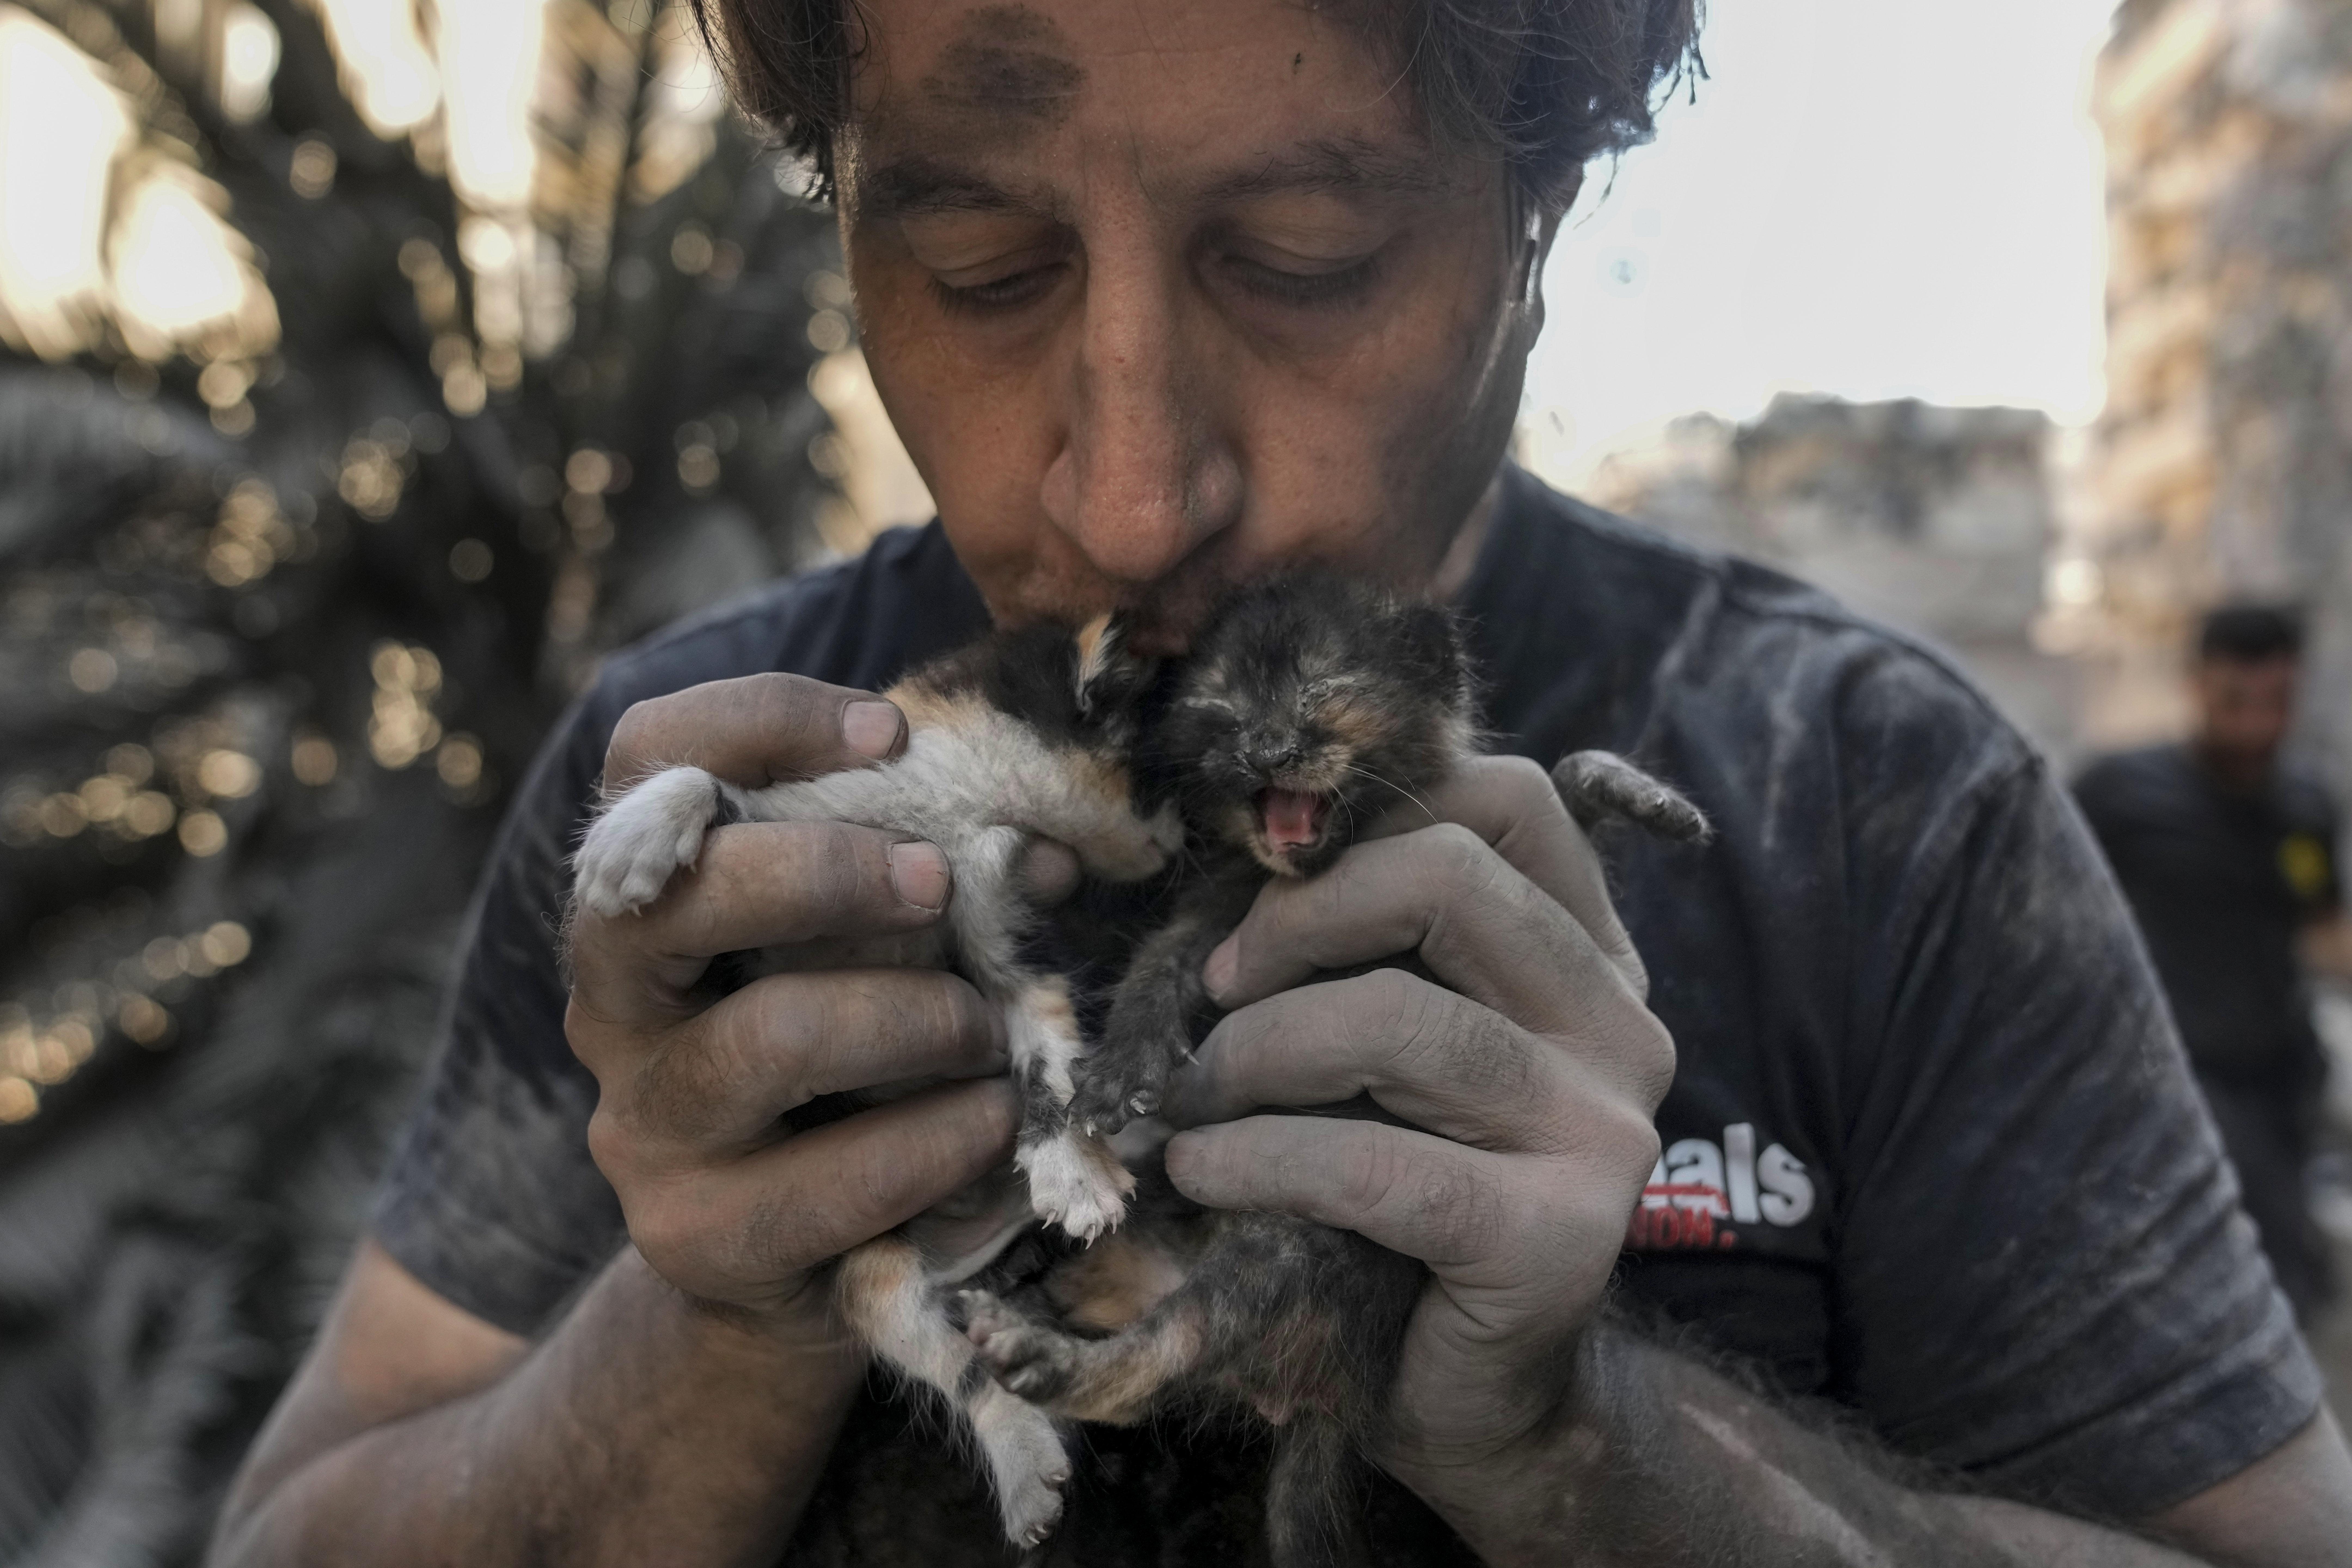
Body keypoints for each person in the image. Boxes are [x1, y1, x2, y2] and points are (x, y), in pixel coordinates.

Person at [206, 2, 2352, 1564]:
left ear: (1549, 207)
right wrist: (724, 1306)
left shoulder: (1870, 802)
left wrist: (1587, 1448)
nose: (1130, 497)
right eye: (982, 267)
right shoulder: (702, 800)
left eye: (1307, 258)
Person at [2076, 605, 2351, 1322]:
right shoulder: (2119, 795)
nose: (2258, 727)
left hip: (2280, 1081)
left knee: (2288, 1284)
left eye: (2278, 704)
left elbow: (2320, 928)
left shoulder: (2304, 805)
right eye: (2238, 703)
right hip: (2170, 1084)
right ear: (2197, 685)